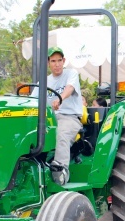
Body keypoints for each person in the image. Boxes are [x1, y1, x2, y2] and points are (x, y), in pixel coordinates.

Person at [31, 46, 83, 185]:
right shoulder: (43, 82)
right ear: (48, 63)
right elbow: (32, 101)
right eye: (53, 61)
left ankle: (60, 171)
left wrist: (60, 99)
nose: (57, 64)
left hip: (69, 117)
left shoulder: (71, 74)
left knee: (61, 133)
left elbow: (70, 88)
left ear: (64, 61)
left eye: (59, 60)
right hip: (49, 119)